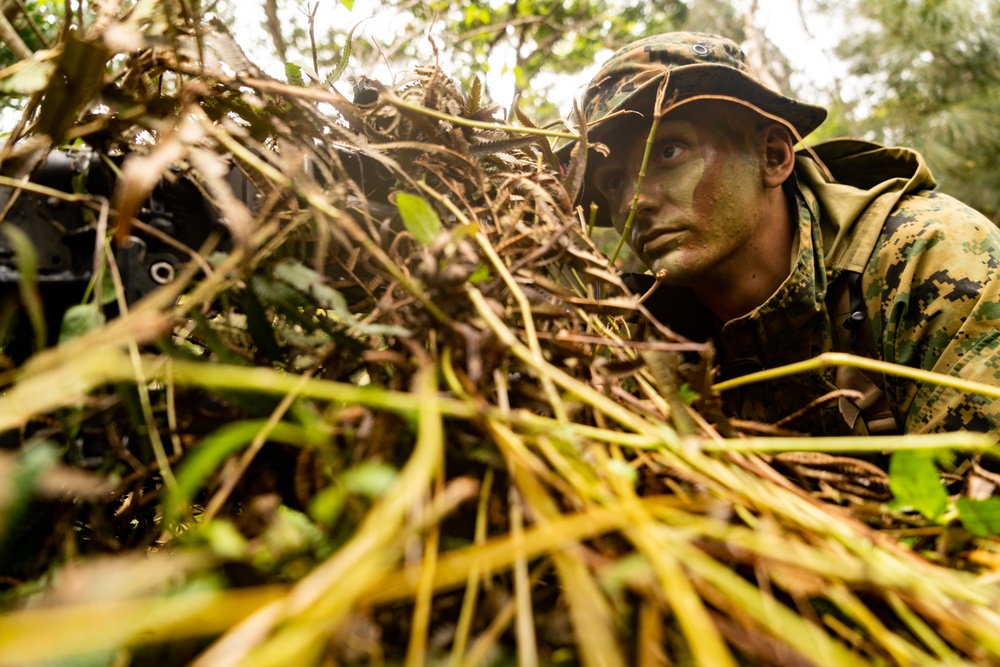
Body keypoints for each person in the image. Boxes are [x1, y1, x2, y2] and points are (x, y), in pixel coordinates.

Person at [563, 32, 1000, 437]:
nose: (633, 203)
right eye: (614, 182)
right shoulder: (631, 332)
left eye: (669, 150)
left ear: (772, 156)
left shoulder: (928, 258)